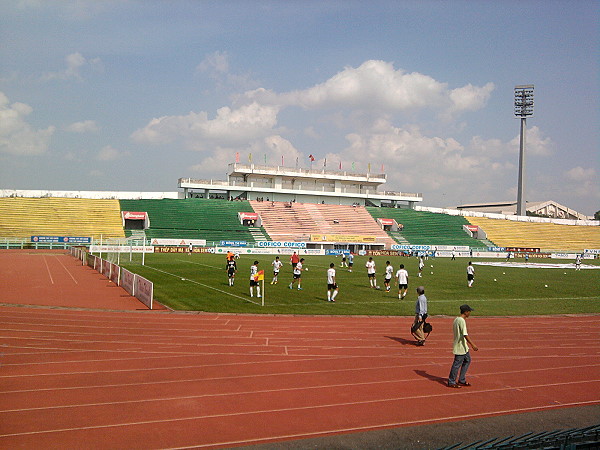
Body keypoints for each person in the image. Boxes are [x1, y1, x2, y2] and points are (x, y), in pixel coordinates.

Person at [448, 304, 478, 388]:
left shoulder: (456, 319)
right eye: (469, 311)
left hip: (464, 346)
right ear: (465, 312)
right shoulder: (461, 321)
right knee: (457, 364)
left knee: (467, 360)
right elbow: (465, 334)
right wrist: (473, 344)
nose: (470, 313)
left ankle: (461, 379)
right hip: (460, 346)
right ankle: (451, 381)